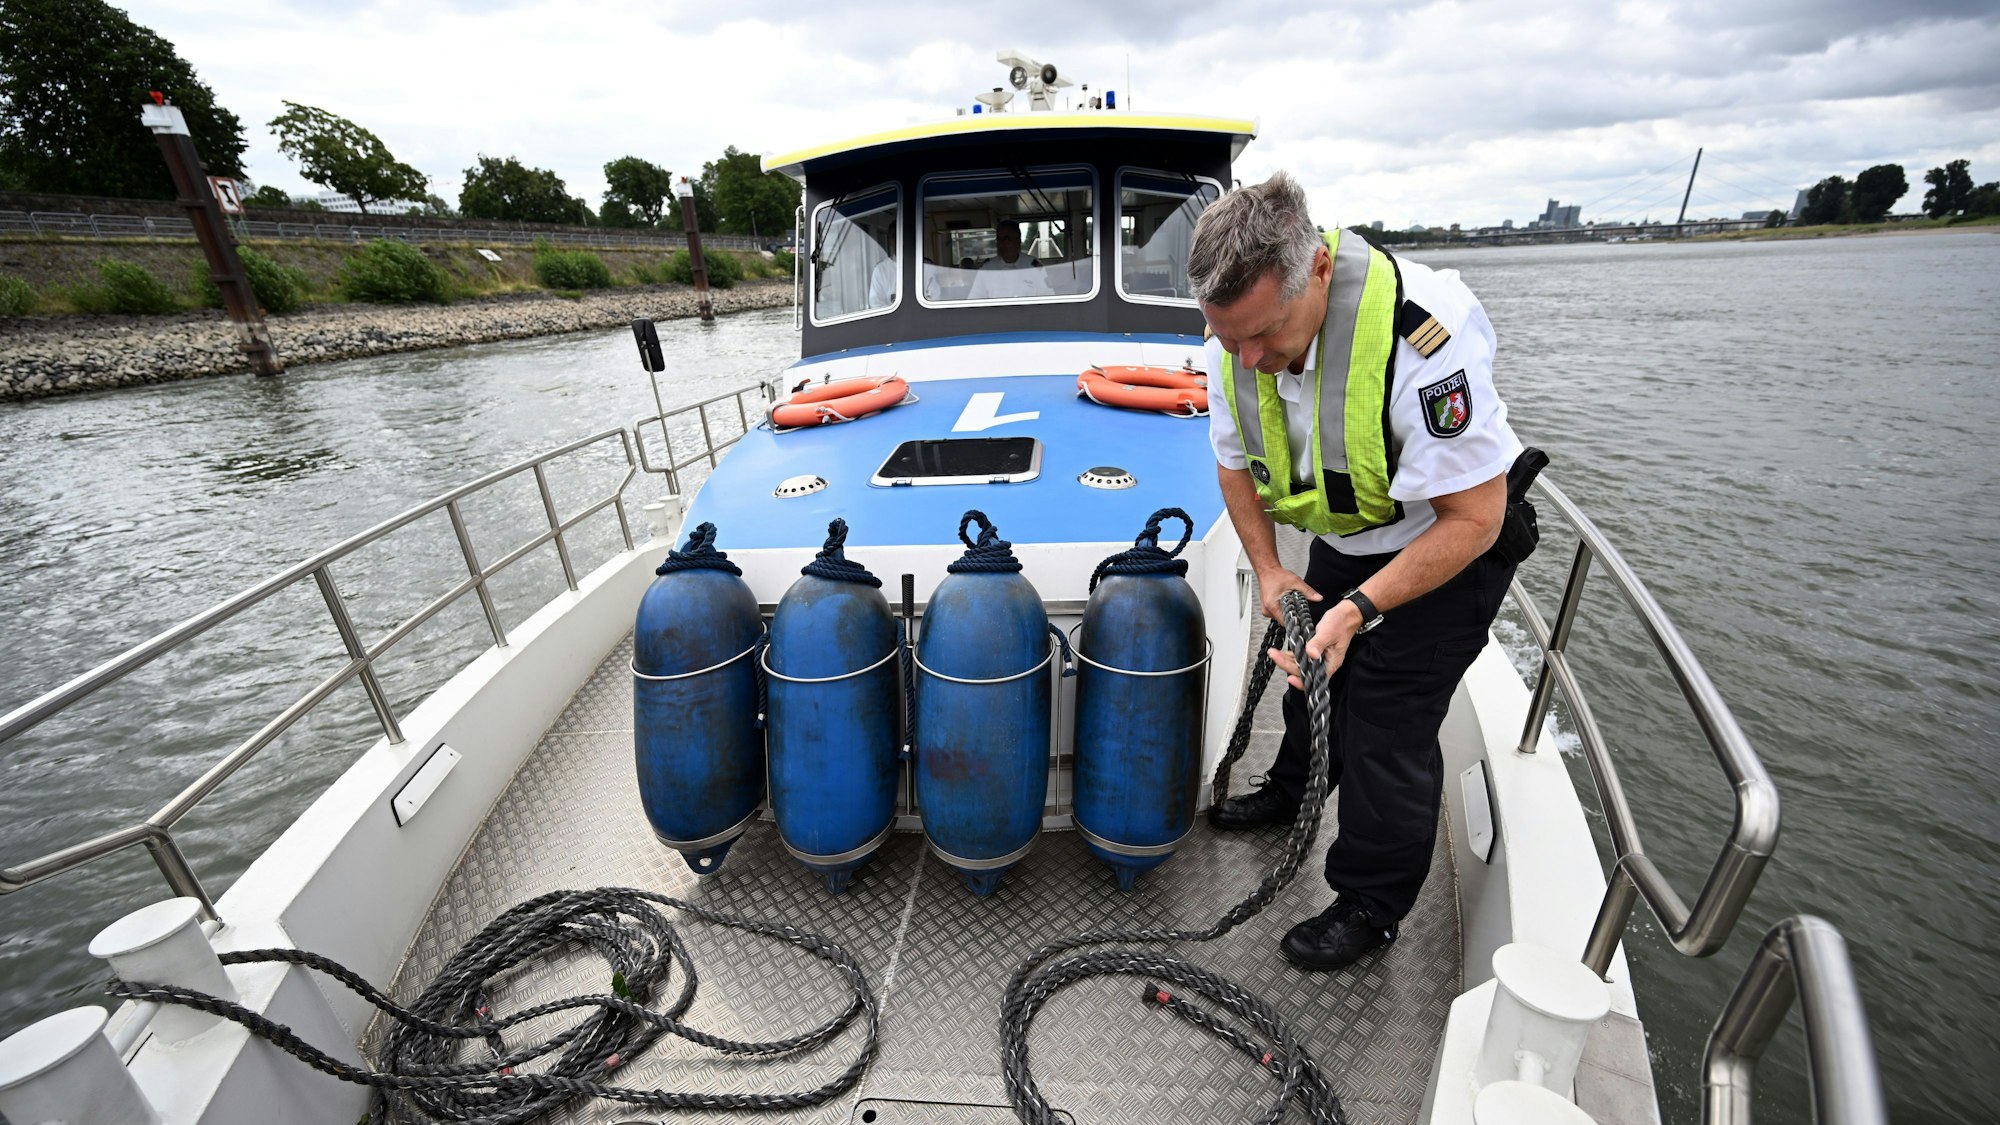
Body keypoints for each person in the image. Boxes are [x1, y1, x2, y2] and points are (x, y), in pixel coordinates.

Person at [1193, 172, 1523, 972]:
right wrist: (1270, 568)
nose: (1249, 359)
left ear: (1317, 270)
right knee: (1313, 675)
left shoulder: (1422, 340)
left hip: (1450, 544)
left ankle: (1371, 902)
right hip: (1353, 531)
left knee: (1385, 722)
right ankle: (1291, 789)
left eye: (1265, 336)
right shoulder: (1234, 342)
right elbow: (1234, 464)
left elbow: (1477, 518)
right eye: (1229, 338)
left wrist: (1360, 609)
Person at [968, 220, 1051, 300]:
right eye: (999, 239)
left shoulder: (1034, 267)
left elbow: (1048, 297)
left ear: (1018, 241)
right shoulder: (987, 270)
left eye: (1007, 238)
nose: (1002, 243)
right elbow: (974, 302)